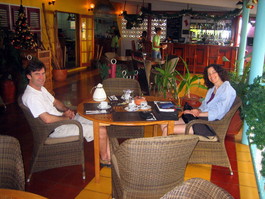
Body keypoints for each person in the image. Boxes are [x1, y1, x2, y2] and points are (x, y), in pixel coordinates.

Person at [22, 59, 111, 166]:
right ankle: (106, 160)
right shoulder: (31, 97)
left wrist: (66, 110)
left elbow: (56, 102)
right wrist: (65, 118)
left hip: (62, 121)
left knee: (99, 121)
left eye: (43, 73)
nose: (41, 77)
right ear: (29, 76)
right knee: (100, 130)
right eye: (37, 74)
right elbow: (47, 119)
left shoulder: (40, 89)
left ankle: (109, 156)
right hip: (55, 129)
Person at [162, 64, 236, 136]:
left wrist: (198, 114)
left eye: (214, 72)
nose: (211, 76)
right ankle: (172, 146)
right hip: (200, 120)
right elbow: (204, 105)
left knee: (166, 129)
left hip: (211, 125)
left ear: (220, 72)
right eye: (209, 74)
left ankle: (162, 148)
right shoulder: (212, 89)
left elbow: (219, 112)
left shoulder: (227, 90)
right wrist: (197, 111)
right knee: (164, 123)